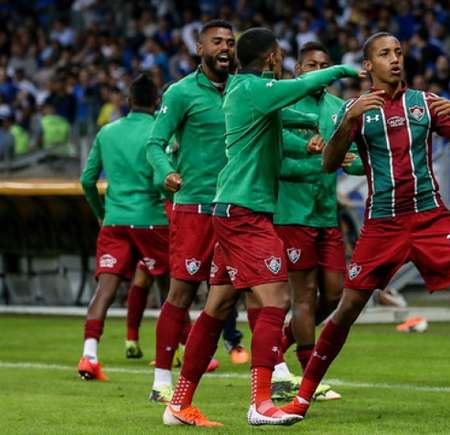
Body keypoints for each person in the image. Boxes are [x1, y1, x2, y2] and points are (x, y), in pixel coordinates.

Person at [280, 32, 450, 423]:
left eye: (398, 52)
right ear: (368, 66)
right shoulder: (356, 110)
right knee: (346, 310)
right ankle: (303, 398)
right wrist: (349, 122)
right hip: (382, 224)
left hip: (430, 217)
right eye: (384, 54)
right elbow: (329, 163)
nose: (394, 59)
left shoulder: (424, 104)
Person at [162, 27, 360, 427]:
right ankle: (261, 403)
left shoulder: (243, 92)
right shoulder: (255, 89)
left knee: (217, 306)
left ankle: (179, 404)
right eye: (280, 55)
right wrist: (343, 69)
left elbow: (294, 118)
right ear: (272, 57)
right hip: (245, 214)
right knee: (275, 300)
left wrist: (330, 136)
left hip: (232, 209)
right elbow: (304, 85)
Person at [145, 20, 237, 403]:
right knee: (181, 293)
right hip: (194, 209)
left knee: (251, 292)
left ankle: (277, 372)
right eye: (216, 41)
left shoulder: (242, 89)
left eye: (230, 43)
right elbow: (154, 143)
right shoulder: (181, 93)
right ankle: (162, 379)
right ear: (199, 48)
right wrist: (166, 172)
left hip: (236, 209)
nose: (225, 48)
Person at [271, 41, 364, 400]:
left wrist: (348, 162)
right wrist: (319, 162)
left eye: (325, 64)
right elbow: (277, 163)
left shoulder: (340, 108)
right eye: (312, 64)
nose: (319, 70)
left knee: (336, 293)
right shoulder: (284, 103)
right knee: (304, 294)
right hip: (292, 213)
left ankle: (280, 342)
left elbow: (354, 158)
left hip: (326, 213)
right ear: (298, 70)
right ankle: (309, 376)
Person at [77, 74, 170, 381]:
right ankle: (176, 349)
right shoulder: (160, 132)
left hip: (115, 220)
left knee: (105, 289)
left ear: (128, 102)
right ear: (157, 102)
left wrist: (101, 212)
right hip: (152, 219)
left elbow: (88, 180)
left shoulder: (107, 132)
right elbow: (165, 178)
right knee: (171, 289)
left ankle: (89, 355)